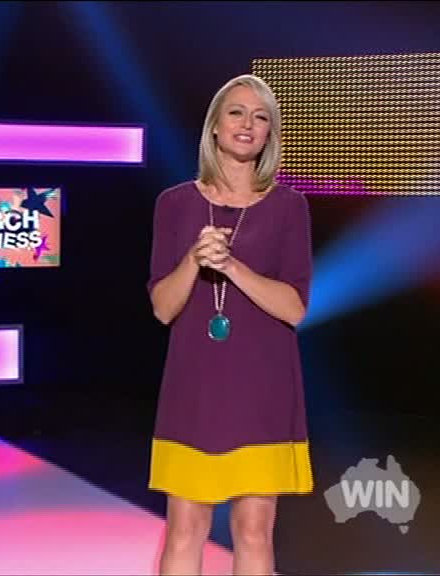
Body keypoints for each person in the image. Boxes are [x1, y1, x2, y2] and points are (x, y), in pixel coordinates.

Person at [146, 74, 314, 576]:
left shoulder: (289, 206)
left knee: (254, 530)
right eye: (237, 112)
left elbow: (294, 308)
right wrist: (194, 260)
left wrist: (233, 266)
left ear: (269, 135)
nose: (248, 124)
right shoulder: (175, 203)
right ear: (215, 126)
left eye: (261, 117)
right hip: (194, 386)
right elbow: (163, 308)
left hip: (263, 388)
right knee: (185, 528)